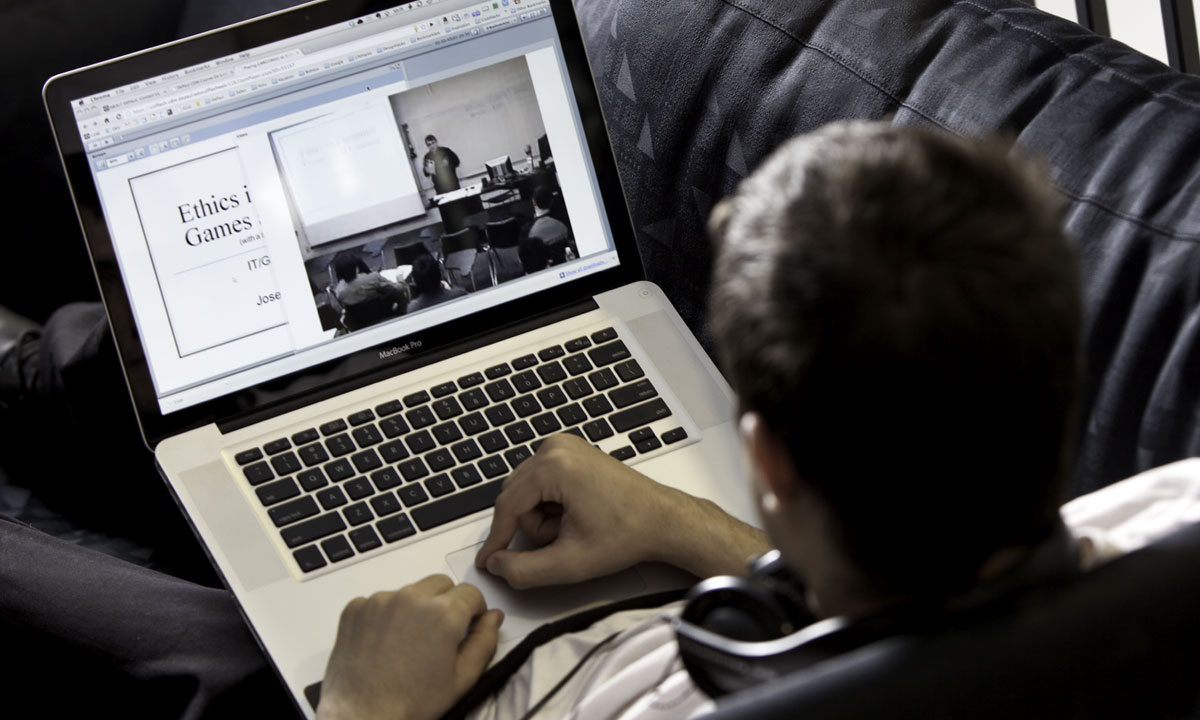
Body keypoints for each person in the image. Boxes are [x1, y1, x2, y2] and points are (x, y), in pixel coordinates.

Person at [313, 121, 1086, 719]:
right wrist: (681, 522)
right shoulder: (1173, 523)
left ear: (769, 462)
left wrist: (362, 706)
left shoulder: (650, 699)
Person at [330, 252, 409, 331]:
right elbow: (398, 289)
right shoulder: (373, 278)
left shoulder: (339, 292)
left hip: (362, 324)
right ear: (356, 268)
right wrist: (401, 281)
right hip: (386, 314)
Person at [519, 186, 573, 266]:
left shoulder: (526, 230)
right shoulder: (564, 222)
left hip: (540, 266)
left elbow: (523, 259)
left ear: (534, 202)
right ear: (551, 201)